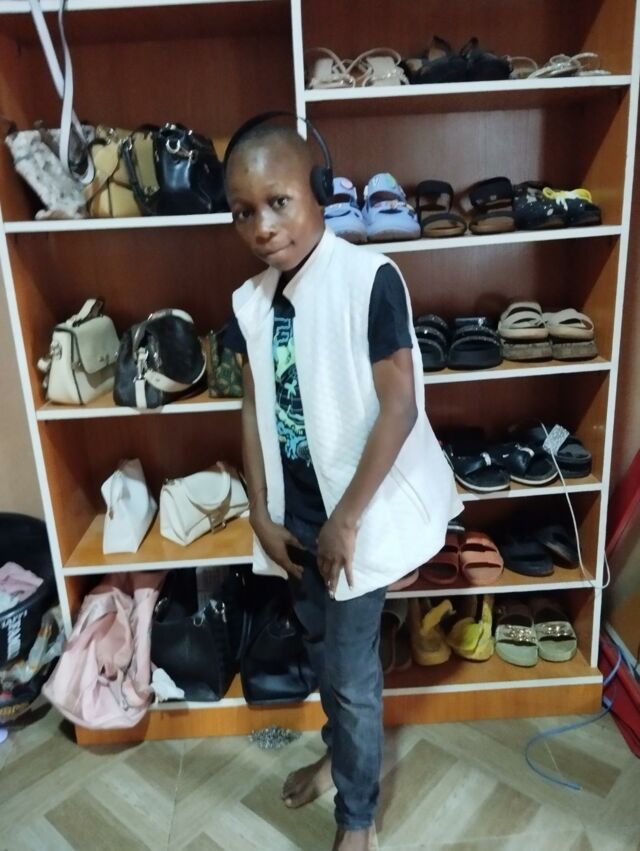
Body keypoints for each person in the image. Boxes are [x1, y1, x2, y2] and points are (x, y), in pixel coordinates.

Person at [223, 116, 462, 851]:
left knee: (353, 679)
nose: (262, 227)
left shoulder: (368, 278)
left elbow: (400, 405)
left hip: (356, 520)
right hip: (295, 524)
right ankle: (338, 757)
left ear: (320, 191)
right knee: (324, 656)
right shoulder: (250, 303)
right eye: (243, 211)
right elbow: (252, 405)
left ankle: (356, 816)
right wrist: (259, 512)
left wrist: (346, 519)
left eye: (279, 202)